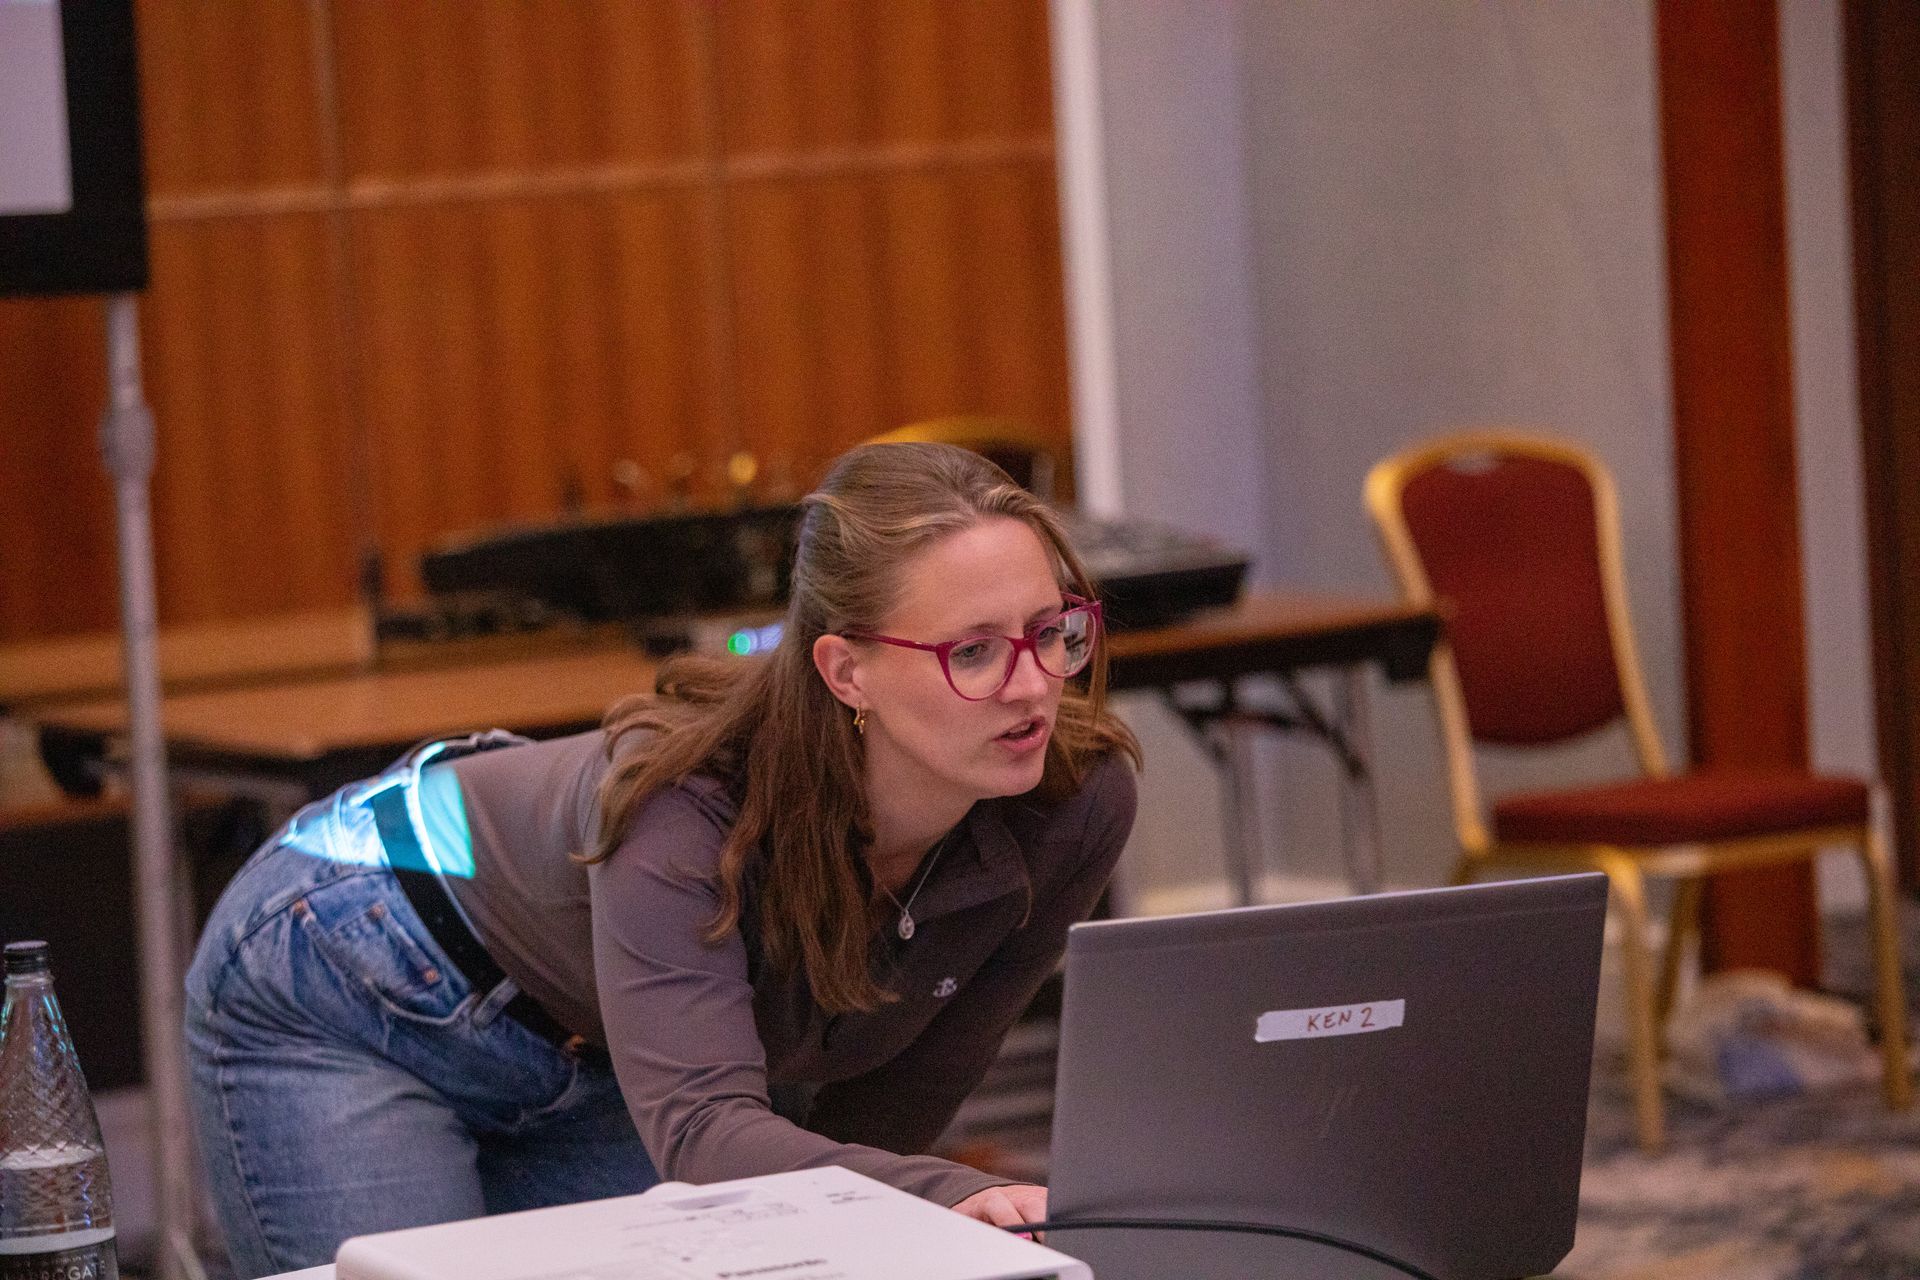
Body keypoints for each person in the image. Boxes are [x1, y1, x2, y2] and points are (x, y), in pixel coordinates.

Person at [183, 441, 1141, 1277]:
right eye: (973, 652)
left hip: (606, 1046)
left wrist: (914, 1213)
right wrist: (950, 1197)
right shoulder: (687, 803)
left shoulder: (1074, 800)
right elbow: (704, 1133)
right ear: (846, 671)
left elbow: (900, 1098)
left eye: (1052, 632)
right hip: (352, 965)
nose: (1034, 686)